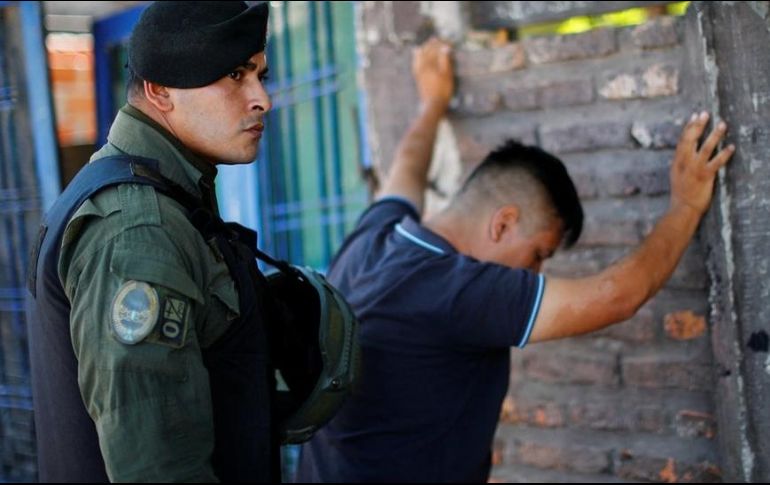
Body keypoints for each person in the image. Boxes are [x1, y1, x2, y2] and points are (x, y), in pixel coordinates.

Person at [296, 38, 736, 482]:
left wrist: (432, 103)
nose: (536, 272)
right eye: (538, 254)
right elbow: (616, 297)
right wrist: (684, 207)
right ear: (503, 223)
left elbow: (405, 171)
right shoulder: (456, 289)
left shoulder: (375, 239)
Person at [26, 2, 279, 482]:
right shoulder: (138, 227)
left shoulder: (160, 196)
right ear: (160, 90)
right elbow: (158, 468)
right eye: (235, 76)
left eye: (261, 76)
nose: (262, 99)